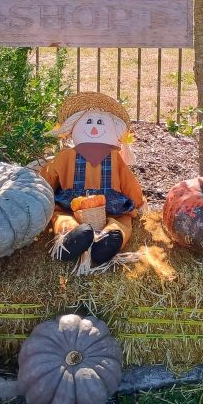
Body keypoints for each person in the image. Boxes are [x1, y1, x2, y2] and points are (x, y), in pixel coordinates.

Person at [40, 92, 145, 270]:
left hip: (110, 206)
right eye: (88, 121)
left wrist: (136, 202)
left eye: (100, 122)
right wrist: (41, 192)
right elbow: (49, 176)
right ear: (74, 126)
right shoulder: (66, 156)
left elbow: (128, 182)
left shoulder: (115, 158)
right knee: (64, 217)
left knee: (120, 220)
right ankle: (71, 238)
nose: (94, 127)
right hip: (72, 204)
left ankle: (108, 240)